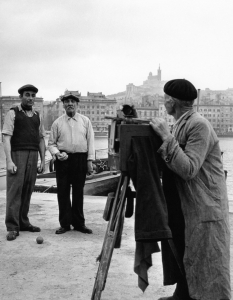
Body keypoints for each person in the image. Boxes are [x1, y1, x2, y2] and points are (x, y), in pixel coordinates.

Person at [150, 79, 231, 300]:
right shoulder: (181, 124)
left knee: (207, 256)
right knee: (185, 249)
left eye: (164, 98)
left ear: (171, 101)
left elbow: (189, 169)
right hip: (186, 201)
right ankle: (184, 293)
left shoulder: (199, 124)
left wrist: (166, 137)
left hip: (204, 203)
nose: (163, 102)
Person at [2, 84, 46, 241]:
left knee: (27, 189)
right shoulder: (13, 113)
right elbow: (6, 138)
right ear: (21, 96)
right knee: (14, 191)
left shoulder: (37, 115)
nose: (30, 98)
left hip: (33, 155)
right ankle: (13, 227)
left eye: (33, 95)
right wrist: (9, 161)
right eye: (27, 94)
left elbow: (41, 138)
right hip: (17, 154)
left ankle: (23, 222)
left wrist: (42, 160)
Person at [48, 93, 95, 235]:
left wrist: (89, 161)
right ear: (63, 105)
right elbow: (51, 144)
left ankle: (79, 223)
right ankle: (65, 224)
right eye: (67, 101)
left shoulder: (85, 121)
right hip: (63, 160)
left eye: (72, 101)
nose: (70, 104)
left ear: (77, 104)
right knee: (63, 192)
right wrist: (57, 153)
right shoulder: (57, 123)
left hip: (80, 159)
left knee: (78, 192)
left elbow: (90, 142)